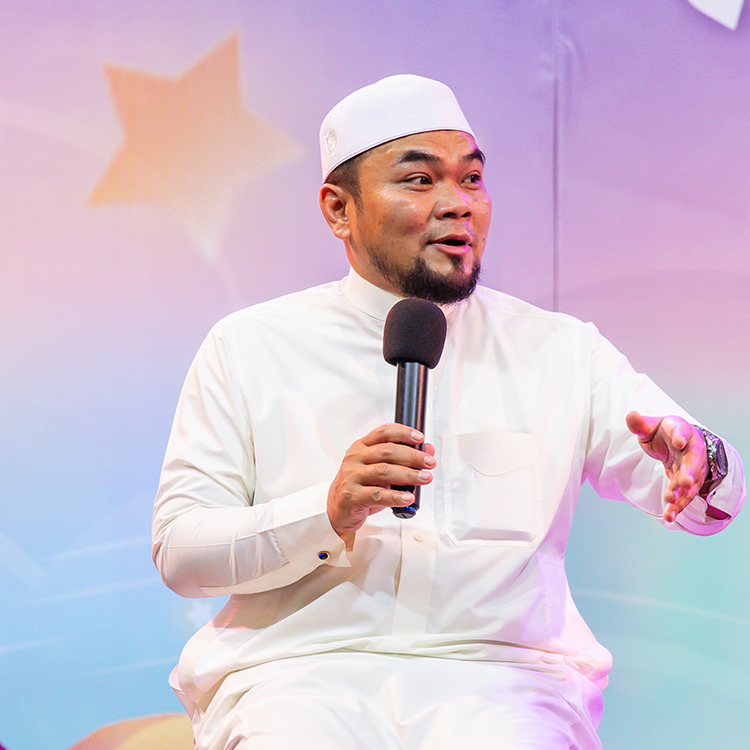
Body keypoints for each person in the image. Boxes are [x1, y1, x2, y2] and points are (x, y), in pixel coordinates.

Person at [152, 75, 745, 750]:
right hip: (297, 676)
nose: (457, 204)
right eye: (420, 181)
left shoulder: (560, 350)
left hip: (503, 682)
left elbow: (709, 505)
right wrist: (327, 510)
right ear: (339, 209)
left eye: (471, 180)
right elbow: (182, 553)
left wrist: (701, 463)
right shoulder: (250, 346)